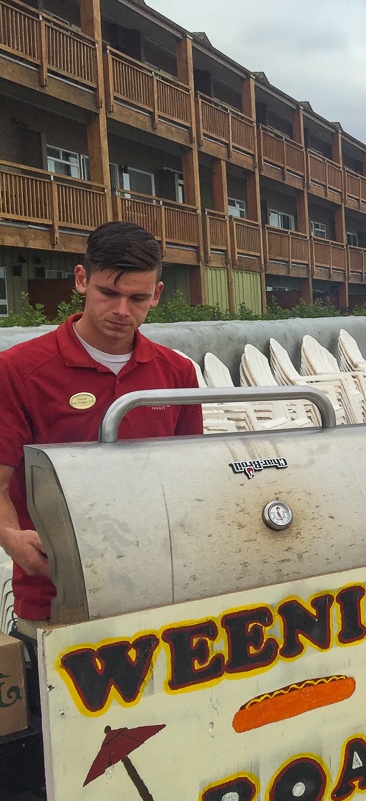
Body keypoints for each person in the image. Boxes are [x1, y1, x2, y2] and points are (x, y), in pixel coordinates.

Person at [0, 221, 202, 633]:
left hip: (161, 584)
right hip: (55, 592)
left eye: (137, 298)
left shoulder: (176, 372)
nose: (121, 311)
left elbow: (191, 476)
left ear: (156, 295)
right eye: (108, 293)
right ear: (81, 280)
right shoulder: (20, 370)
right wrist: (11, 538)